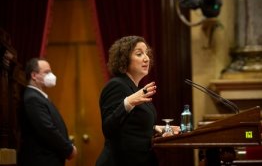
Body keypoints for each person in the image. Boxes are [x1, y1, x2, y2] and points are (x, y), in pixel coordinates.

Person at [96, 36, 180, 166]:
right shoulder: (116, 85)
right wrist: (128, 102)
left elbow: (131, 126)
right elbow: (108, 128)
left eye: (146, 53)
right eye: (139, 54)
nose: (146, 58)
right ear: (124, 59)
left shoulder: (136, 89)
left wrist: (156, 128)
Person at [18, 58, 77, 166]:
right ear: (34, 76)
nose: (52, 76)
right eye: (47, 72)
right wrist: (68, 149)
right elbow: (47, 129)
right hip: (42, 160)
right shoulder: (32, 98)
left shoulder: (39, 96)